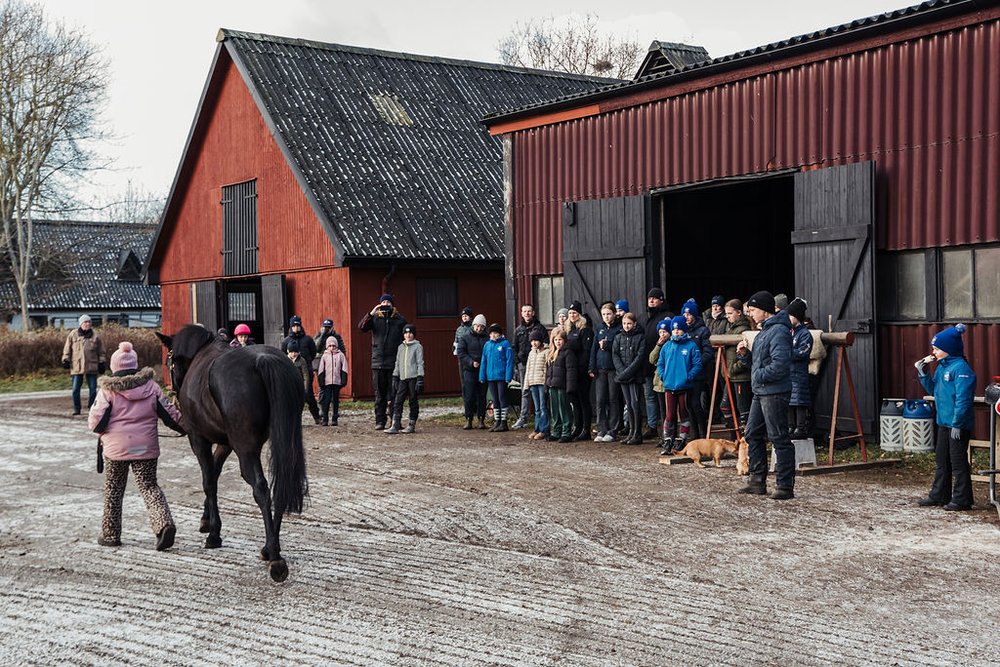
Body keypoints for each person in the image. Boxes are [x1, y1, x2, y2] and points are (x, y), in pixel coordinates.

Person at [88, 341, 185, 549]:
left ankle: (110, 535)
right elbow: (170, 415)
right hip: (145, 448)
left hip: (116, 450)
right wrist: (187, 427)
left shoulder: (107, 390)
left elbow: (95, 423)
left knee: (114, 489)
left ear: (115, 367)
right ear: (135, 365)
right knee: (149, 486)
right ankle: (164, 524)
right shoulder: (151, 386)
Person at [735, 291, 795, 500]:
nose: (750, 314)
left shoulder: (778, 332)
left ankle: (785, 486)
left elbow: (780, 365)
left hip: (775, 392)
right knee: (752, 433)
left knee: (779, 437)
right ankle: (757, 480)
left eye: (752, 310)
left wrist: (757, 375)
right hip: (762, 391)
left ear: (764, 310)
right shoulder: (763, 333)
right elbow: (760, 364)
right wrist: (745, 357)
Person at [915, 323, 976, 511]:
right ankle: (939, 495)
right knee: (942, 460)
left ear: (948, 349)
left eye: (937, 348)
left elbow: (963, 401)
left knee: (958, 462)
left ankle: (962, 499)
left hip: (958, 425)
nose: (933, 351)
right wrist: (922, 372)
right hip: (944, 423)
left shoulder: (961, 369)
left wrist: (957, 424)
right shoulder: (941, 367)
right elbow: (935, 390)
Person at [358, 294, 407, 430]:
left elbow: (407, 335)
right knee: (379, 394)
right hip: (378, 362)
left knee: (395, 394)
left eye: (388, 302)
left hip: (393, 363)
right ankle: (380, 421)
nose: (386, 304)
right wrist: (372, 312)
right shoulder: (375, 318)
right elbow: (361, 327)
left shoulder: (399, 319)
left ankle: (395, 420)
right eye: (383, 302)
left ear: (392, 304)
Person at [657, 315, 703, 456]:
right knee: (670, 415)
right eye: (674, 329)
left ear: (684, 330)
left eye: (679, 329)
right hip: (670, 386)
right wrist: (663, 375)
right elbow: (660, 363)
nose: (676, 332)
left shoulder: (691, 346)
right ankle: (667, 440)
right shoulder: (667, 346)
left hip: (684, 386)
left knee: (684, 413)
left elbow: (697, 364)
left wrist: (688, 376)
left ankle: (682, 439)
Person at [642, 288, 673, 439]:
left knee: (665, 400)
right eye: (649, 298)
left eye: (655, 298)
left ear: (661, 300)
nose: (651, 301)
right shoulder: (648, 318)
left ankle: (667, 431)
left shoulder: (668, 317)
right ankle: (652, 425)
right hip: (649, 364)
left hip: (664, 366)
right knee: (650, 396)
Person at [681, 298, 714, 439]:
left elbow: (708, 352)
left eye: (689, 315)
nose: (687, 318)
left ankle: (702, 433)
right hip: (684, 374)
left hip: (698, 374)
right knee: (688, 405)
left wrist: (696, 364)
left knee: (696, 404)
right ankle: (694, 435)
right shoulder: (681, 331)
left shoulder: (703, 331)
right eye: (685, 315)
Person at [612, 312, 647, 445]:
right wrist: (622, 372)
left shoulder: (640, 337)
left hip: (635, 376)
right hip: (623, 376)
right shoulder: (618, 337)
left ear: (634, 324)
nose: (626, 326)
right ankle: (631, 432)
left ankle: (637, 433)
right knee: (629, 404)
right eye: (624, 323)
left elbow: (640, 357)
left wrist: (627, 373)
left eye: (629, 323)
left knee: (635, 404)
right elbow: (615, 355)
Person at [589, 302, 622, 442]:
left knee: (613, 399)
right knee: (600, 399)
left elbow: (619, 345)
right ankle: (601, 429)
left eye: (609, 314)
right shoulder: (599, 328)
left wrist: (608, 345)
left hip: (613, 368)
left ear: (614, 314)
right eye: (604, 314)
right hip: (600, 368)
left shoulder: (619, 328)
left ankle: (613, 430)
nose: (606, 317)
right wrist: (591, 366)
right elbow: (593, 349)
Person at [62, 314, 107, 415]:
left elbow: (101, 351)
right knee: (75, 390)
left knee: (93, 389)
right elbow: (67, 349)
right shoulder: (73, 334)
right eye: (85, 322)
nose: (87, 324)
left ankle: (91, 408)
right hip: (76, 366)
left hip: (92, 366)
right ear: (80, 324)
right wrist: (65, 359)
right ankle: (77, 409)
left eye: (89, 322)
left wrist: (102, 362)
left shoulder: (96, 336)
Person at [282, 315, 320, 425]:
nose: (296, 328)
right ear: (290, 327)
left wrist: (306, 363)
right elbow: (283, 355)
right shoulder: (286, 341)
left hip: (306, 371)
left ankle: (317, 417)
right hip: (291, 373)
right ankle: (293, 419)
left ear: (300, 326)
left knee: (309, 396)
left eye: (297, 325)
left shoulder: (307, 340)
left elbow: (313, 353)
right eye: (293, 326)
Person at [512, 304, 545, 430]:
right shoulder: (518, 329)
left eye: (529, 311)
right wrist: (518, 362)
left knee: (541, 392)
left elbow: (546, 344)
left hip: (538, 365)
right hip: (523, 365)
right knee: (524, 392)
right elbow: (514, 347)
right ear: (521, 313)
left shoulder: (540, 328)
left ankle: (542, 418)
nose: (527, 313)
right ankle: (523, 418)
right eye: (524, 311)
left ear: (533, 313)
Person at [564, 301, 594, 440]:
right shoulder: (569, 329)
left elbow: (586, 351)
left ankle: (586, 429)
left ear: (579, 314)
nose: (572, 315)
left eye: (575, 313)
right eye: (570, 313)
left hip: (581, 370)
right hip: (571, 371)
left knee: (584, 399)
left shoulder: (585, 329)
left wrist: (585, 369)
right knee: (574, 400)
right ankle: (577, 426)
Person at [387, 323, 424, 434]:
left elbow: (420, 363)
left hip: (413, 378)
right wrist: (395, 376)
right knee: (398, 401)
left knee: (413, 401)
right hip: (402, 378)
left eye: (410, 333)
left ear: (414, 334)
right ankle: (395, 424)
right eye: (406, 333)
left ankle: (411, 424)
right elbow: (397, 362)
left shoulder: (418, 347)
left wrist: (420, 377)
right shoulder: (401, 347)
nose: (408, 335)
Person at [785, 298, 814, 439]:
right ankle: (790, 426)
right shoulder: (788, 332)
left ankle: (800, 428)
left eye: (790, 315)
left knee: (800, 402)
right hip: (788, 373)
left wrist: (787, 353)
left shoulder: (805, 334)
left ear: (797, 316)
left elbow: (803, 352)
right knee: (789, 402)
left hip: (799, 374)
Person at [722, 299, 753, 428]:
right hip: (731, 375)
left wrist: (734, 368)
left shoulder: (743, 330)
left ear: (739, 312)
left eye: (730, 313)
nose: (727, 316)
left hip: (740, 376)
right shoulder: (732, 328)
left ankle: (746, 440)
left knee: (743, 410)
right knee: (725, 407)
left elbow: (747, 354)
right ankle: (735, 438)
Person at [457, 314, 489, 429]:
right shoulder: (465, 337)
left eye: (481, 327)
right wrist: (471, 362)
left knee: (482, 395)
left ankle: (481, 419)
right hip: (469, 370)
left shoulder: (487, 338)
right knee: (469, 395)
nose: (479, 328)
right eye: (477, 326)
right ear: (473, 325)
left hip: (482, 370)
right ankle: (469, 419)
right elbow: (461, 352)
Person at [480, 323, 514, 432]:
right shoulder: (487, 345)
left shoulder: (505, 344)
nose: (494, 335)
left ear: (500, 334)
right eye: (492, 333)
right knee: (495, 399)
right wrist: (482, 375)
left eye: (496, 333)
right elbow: (483, 361)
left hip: (501, 376)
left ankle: (504, 422)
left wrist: (508, 376)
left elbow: (509, 361)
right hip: (490, 376)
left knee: (502, 398)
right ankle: (497, 421)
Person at [545, 329, 576, 443]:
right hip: (552, 385)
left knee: (564, 409)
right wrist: (546, 385)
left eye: (560, 340)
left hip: (562, 385)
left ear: (564, 340)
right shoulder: (551, 353)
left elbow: (571, 371)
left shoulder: (568, 353)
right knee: (555, 409)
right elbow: (548, 372)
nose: (558, 342)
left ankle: (566, 431)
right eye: (556, 340)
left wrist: (570, 387)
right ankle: (556, 431)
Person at [647, 319, 671, 447]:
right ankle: (663, 437)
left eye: (665, 331)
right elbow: (652, 359)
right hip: (659, 384)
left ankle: (672, 436)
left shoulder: (672, 344)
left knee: (670, 412)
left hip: (670, 382)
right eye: (660, 332)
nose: (662, 334)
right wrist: (658, 345)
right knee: (662, 412)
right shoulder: (660, 344)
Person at [286, 339, 320, 424]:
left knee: (300, 404)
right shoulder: (285, 360)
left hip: (299, 385)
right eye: (292, 352)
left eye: (295, 352)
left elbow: (306, 375)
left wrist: (305, 388)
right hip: (289, 386)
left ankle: (304, 418)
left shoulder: (302, 361)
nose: (294, 354)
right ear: (288, 351)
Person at [524, 328, 550, 441]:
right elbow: (528, 370)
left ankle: (544, 429)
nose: (534, 343)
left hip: (541, 383)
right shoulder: (531, 353)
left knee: (543, 407)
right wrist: (526, 385)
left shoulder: (546, 352)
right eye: (532, 341)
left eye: (536, 340)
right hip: (533, 382)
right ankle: (537, 428)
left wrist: (546, 383)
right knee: (537, 408)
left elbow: (547, 368)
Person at [317, 336, 347, 426]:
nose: (332, 347)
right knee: (326, 400)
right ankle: (325, 418)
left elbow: (344, 368)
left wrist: (344, 379)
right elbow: (321, 369)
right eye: (330, 346)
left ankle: (335, 418)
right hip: (327, 382)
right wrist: (321, 381)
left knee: (335, 400)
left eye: (333, 346)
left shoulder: (340, 355)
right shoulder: (324, 356)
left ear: (336, 346)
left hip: (337, 382)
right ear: (327, 346)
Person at [454, 307, 473, 387]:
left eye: (466, 315)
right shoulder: (459, 329)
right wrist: (455, 350)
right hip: (461, 356)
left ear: (470, 317)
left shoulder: (473, 328)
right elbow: (456, 341)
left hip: (471, 354)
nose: (464, 317)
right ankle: (465, 396)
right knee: (462, 378)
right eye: (463, 316)